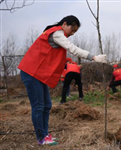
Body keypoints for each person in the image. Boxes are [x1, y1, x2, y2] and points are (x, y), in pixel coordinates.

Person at [18, 15, 107, 145]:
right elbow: (73, 49)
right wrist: (93, 57)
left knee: (47, 105)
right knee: (38, 106)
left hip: (38, 74)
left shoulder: (57, 34)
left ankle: (45, 134)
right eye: (72, 29)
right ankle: (41, 138)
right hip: (31, 73)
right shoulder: (57, 34)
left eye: (75, 31)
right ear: (64, 24)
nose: (72, 33)